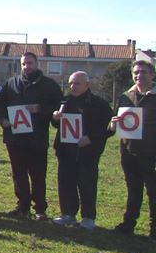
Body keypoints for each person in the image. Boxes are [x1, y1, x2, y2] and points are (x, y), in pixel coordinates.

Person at [0, 52, 63, 220]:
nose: (27, 66)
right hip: (15, 138)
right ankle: (22, 206)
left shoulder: (49, 85)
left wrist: (41, 109)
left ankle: (40, 209)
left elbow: (58, 106)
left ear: (37, 63)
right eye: (24, 64)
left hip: (37, 139)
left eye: (30, 63)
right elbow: (0, 104)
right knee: (18, 174)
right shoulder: (11, 83)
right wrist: (3, 119)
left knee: (38, 175)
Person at [50, 71, 114, 229]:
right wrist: (55, 118)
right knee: (66, 183)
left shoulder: (100, 104)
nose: (73, 86)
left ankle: (88, 217)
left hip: (88, 153)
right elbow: (58, 125)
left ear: (87, 84)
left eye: (77, 83)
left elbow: (109, 129)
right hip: (66, 151)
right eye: (70, 83)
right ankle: (68, 214)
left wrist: (91, 138)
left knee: (87, 185)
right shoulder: (65, 101)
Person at [110, 60, 156, 239]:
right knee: (133, 190)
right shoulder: (125, 97)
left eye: (143, 72)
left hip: (152, 153)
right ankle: (129, 223)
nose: (139, 76)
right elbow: (114, 121)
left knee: (153, 192)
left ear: (152, 74)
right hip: (128, 152)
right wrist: (113, 124)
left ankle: (154, 229)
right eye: (136, 73)